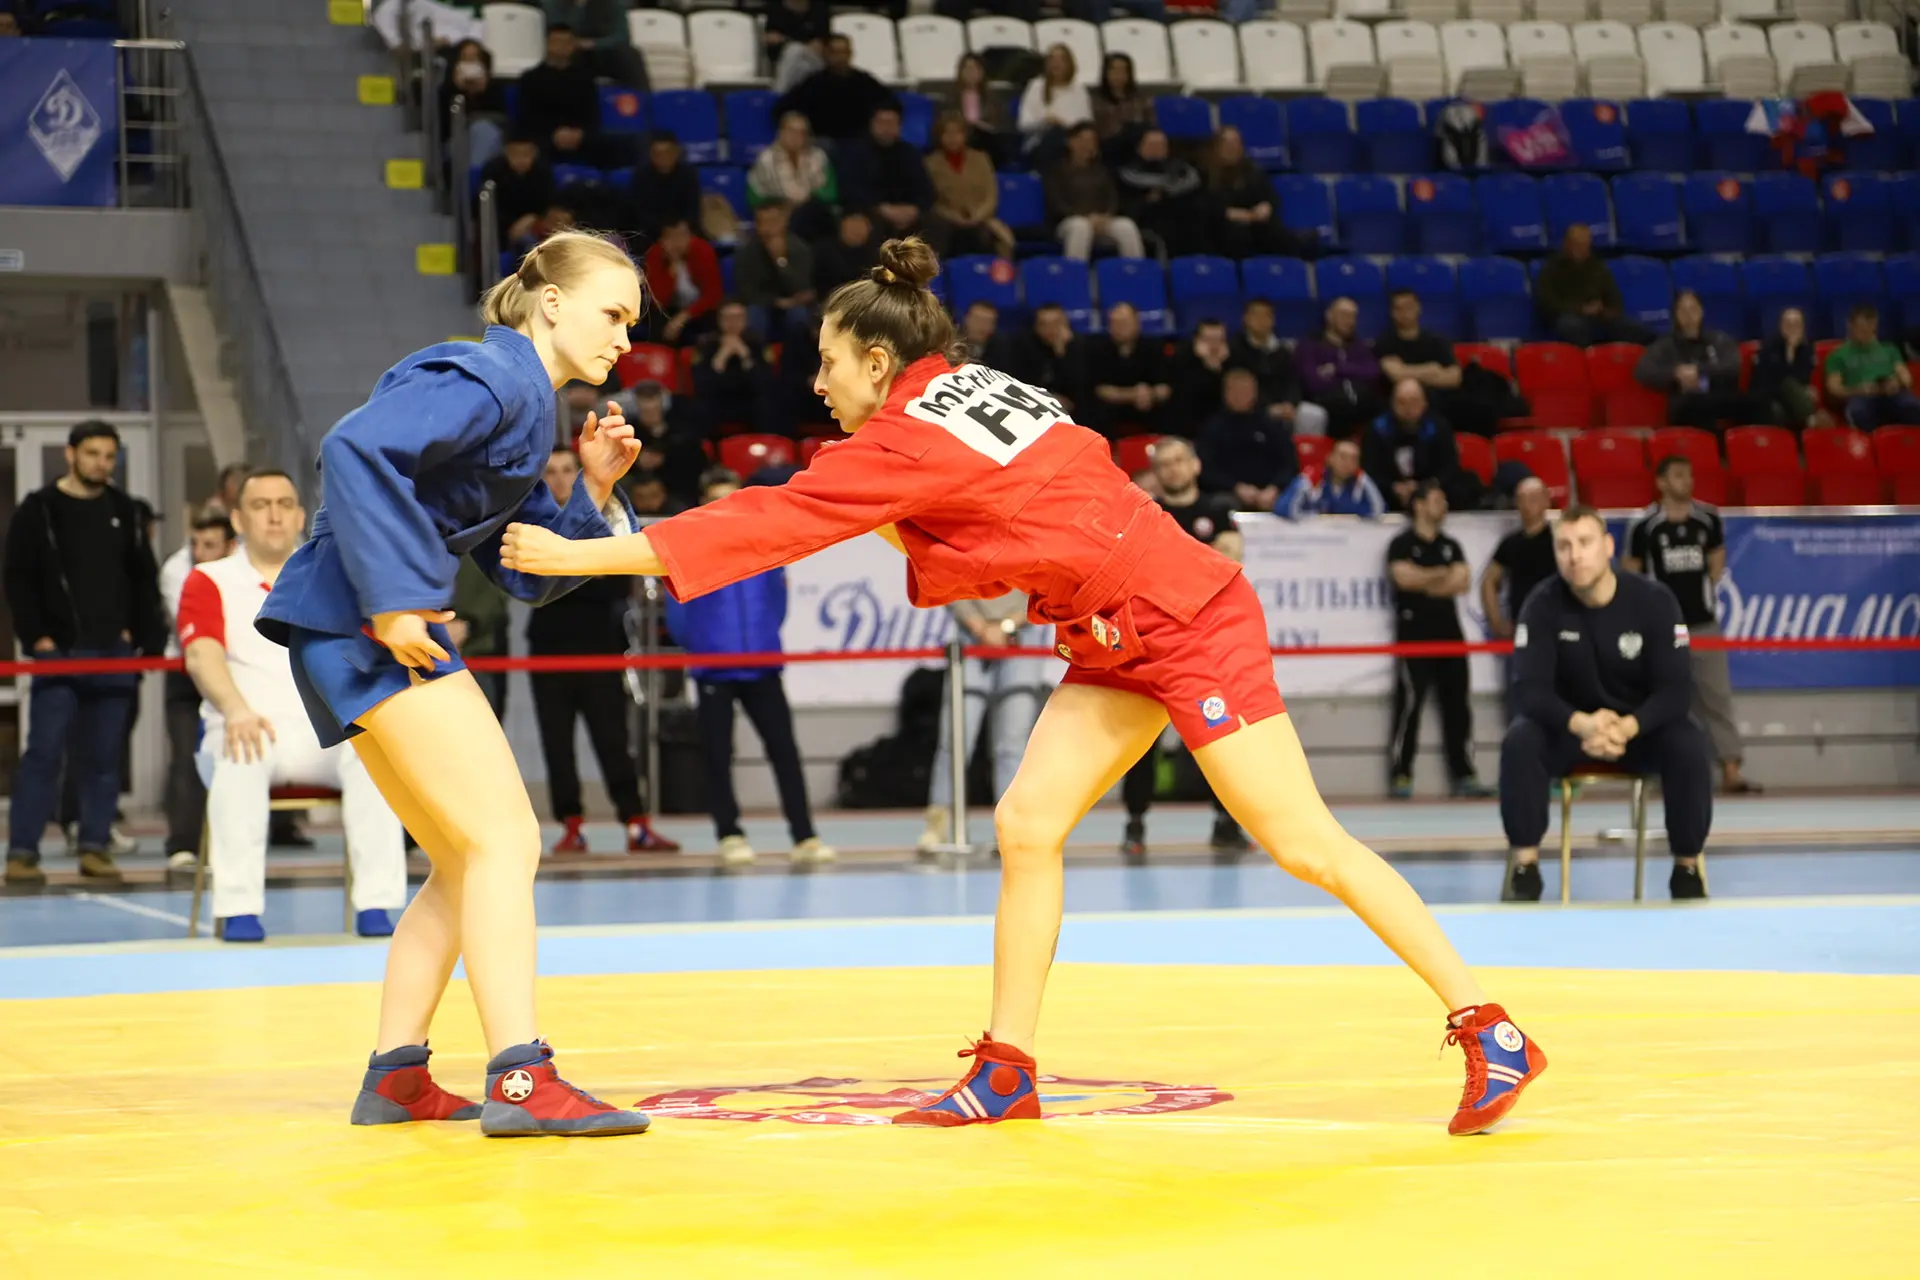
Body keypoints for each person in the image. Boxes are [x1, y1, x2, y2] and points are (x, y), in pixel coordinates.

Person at [499, 235, 1548, 1136]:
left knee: (1304, 842)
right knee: (1027, 823)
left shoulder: (907, 431)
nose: (817, 385)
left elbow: (766, 522)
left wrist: (579, 553)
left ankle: (1489, 1027)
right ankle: (1006, 1069)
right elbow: (984, 519)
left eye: (828, 363)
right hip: (1114, 626)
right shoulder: (965, 387)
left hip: (1181, 617)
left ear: (878, 360)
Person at [253, 230, 653, 1137]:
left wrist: (592, 492)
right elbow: (353, 448)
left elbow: (528, 571)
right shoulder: (489, 377)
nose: (625, 339)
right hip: (367, 621)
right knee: (508, 840)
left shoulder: (526, 405)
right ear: (551, 302)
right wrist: (395, 601)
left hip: (348, 626)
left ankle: (396, 1075)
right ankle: (522, 1081)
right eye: (613, 314)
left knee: (465, 860)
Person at [179, 470, 410, 943]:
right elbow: (202, 655)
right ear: (238, 519)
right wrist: (236, 710)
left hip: (323, 732)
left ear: (302, 516)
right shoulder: (209, 580)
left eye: (284, 504)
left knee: (374, 753)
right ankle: (239, 909)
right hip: (246, 728)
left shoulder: (337, 576)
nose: (275, 515)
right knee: (241, 754)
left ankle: (377, 905)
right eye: (261, 505)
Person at [1502, 504, 1713, 902]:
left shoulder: (1655, 601)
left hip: (1639, 733)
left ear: (1608, 546)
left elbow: (1676, 691)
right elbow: (1530, 691)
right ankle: (1525, 868)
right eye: (1564, 546)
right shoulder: (1541, 604)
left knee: (1688, 741)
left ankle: (1686, 868)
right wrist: (1583, 724)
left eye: (1584, 543)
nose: (1575, 555)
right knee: (1521, 739)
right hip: (1569, 732)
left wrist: (1627, 727)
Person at [3, 421, 167, 886]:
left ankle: (95, 846)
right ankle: (22, 852)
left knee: (104, 756)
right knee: (44, 753)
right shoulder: (39, 509)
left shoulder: (125, 511)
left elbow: (143, 577)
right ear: (71, 454)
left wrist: (145, 638)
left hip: (114, 654)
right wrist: (37, 638)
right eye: (93, 454)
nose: (102, 464)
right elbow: (18, 578)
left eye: (109, 456)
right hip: (59, 653)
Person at [660, 468, 836, 868]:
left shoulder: (764, 542)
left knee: (784, 751)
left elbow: (778, 600)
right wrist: (704, 646)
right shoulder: (688, 547)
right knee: (718, 756)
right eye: (717, 497)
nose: (726, 505)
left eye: (732, 496)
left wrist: (762, 637)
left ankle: (805, 835)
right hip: (713, 670)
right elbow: (678, 616)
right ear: (703, 503)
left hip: (762, 666)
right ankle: (729, 834)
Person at [526, 448, 679, 856]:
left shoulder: (600, 522)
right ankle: (571, 827)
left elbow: (616, 584)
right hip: (548, 653)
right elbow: (533, 586)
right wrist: (581, 571)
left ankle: (636, 825)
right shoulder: (533, 524)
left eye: (566, 470)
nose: (559, 479)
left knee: (613, 741)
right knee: (557, 746)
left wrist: (561, 569)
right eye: (551, 471)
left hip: (599, 649)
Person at [1120, 438, 1248, 858]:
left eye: (1179, 461)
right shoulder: (1146, 511)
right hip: (1154, 644)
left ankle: (1226, 822)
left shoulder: (1218, 510)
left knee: (1217, 734)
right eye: (1165, 463)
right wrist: (1194, 562)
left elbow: (1228, 562)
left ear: (1195, 465)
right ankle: (1135, 823)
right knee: (1142, 741)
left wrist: (1172, 564)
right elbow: (1139, 571)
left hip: (1205, 644)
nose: (1173, 469)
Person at [1625, 457, 1760, 795]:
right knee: (1660, 700)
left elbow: (1716, 562)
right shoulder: (1644, 525)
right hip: (1661, 629)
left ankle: (1730, 771)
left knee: (1717, 697)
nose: (1687, 480)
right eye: (1678, 475)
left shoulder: (1707, 519)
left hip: (1702, 623)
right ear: (1661, 482)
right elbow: (1630, 572)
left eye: (1689, 474)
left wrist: (1701, 592)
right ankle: (1660, 771)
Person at [916, 588, 1054, 857]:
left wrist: (1008, 624)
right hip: (969, 635)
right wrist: (979, 626)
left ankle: (1011, 827)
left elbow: (1045, 584)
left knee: (1013, 743)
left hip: (1024, 633)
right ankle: (938, 822)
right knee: (957, 737)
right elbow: (948, 582)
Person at [1386, 481, 1495, 801]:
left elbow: (1461, 581)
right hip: (1414, 635)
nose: (1443, 505)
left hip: (1450, 633)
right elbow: (1402, 577)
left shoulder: (1451, 545)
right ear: (1419, 505)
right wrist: (1439, 576)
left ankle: (1464, 773)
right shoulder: (1402, 544)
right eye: (1436, 499)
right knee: (1410, 704)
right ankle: (1402, 773)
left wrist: (1423, 579)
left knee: (1458, 705)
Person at [163, 505, 239, 871]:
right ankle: (182, 844)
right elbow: (192, 628)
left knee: (236, 755)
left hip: (235, 672)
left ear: (229, 545)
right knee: (185, 757)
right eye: (195, 544)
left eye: (210, 545)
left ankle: (230, 845)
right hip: (186, 673)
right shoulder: (177, 571)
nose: (200, 552)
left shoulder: (244, 572)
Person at [1633, 290, 1769, 434]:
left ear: (1701, 311)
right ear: (1675, 315)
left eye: (1693, 309)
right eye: (1683, 310)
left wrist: (1699, 371)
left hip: (1718, 395)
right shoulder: (1664, 345)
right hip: (1686, 402)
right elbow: (1642, 371)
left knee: (1758, 403)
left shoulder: (1719, 339)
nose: (1689, 315)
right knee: (1697, 408)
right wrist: (1676, 373)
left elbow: (1733, 365)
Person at [1536, 224, 1653, 348]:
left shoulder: (1598, 267)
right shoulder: (1551, 269)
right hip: (1569, 316)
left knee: (1633, 328)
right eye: (1578, 245)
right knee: (1572, 326)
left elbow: (1614, 298)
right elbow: (1548, 304)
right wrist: (1581, 309)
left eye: (1586, 245)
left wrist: (1603, 309)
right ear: (1567, 244)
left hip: (1598, 316)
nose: (1582, 249)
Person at [1197, 366, 1297, 510]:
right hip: (1229, 493)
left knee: (1291, 504)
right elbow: (1206, 469)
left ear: (1255, 393)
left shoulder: (1271, 425)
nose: (1240, 396)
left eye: (1245, 391)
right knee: (1221, 505)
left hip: (1270, 494)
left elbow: (1290, 464)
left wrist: (1274, 488)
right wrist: (1236, 487)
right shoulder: (1213, 427)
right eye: (1235, 391)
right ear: (1225, 394)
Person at [1361, 379, 1467, 514]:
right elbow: (1369, 470)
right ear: (1392, 403)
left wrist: (1426, 487)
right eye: (1401, 402)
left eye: (1414, 402)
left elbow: (1449, 466)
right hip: (1388, 494)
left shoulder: (1439, 427)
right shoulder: (1376, 429)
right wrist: (1394, 487)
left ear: (1424, 403)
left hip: (1430, 492)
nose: (1408, 408)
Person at [1044, 123, 1144, 261]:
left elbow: (1112, 197)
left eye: (1091, 141)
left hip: (1102, 221)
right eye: (1082, 140)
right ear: (1070, 142)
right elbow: (1055, 202)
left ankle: (1134, 270)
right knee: (1080, 227)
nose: (1087, 145)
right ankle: (1076, 272)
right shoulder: (1056, 171)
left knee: (1126, 226)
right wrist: (1085, 217)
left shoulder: (1102, 170)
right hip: (1068, 221)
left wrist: (1106, 215)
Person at [772, 33, 897, 143]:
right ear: (826, 54)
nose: (840, 58)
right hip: (822, 141)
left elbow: (892, 104)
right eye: (835, 53)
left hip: (860, 141)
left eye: (844, 52)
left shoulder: (865, 81)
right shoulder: (814, 83)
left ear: (850, 54)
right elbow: (782, 108)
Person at [1232, 297, 1328, 437]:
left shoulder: (1282, 351)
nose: (1261, 320)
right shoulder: (1236, 350)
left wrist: (1290, 403)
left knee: (1314, 415)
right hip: (1254, 407)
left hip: (1285, 405)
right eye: (1256, 315)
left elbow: (1293, 382)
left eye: (1267, 315)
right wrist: (1267, 408)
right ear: (1246, 318)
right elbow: (1241, 386)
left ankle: (1305, 450)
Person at [1202, 126, 1302, 260]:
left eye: (1236, 143)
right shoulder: (1206, 175)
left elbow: (1270, 198)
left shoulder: (1252, 171)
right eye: (1227, 143)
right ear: (1216, 147)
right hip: (1223, 228)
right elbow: (1210, 209)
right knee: (1236, 235)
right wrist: (1246, 215)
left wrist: (1266, 206)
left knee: (1276, 232)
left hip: (1254, 224)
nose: (1232, 148)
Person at [925, 112, 1014, 259]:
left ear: (965, 135)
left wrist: (978, 216)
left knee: (994, 237)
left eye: (957, 133)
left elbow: (991, 195)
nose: (953, 138)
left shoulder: (981, 159)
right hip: (947, 222)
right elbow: (933, 202)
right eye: (947, 133)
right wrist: (953, 216)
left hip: (981, 218)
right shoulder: (930, 164)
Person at [841, 105, 935, 243]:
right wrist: (883, 209)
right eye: (882, 122)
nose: (886, 128)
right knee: (869, 226)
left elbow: (927, 190)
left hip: (909, 211)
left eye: (891, 123)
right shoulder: (855, 152)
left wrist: (913, 209)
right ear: (872, 124)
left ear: (900, 126)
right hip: (872, 210)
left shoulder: (910, 152)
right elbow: (851, 190)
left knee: (936, 223)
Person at [1297, 296, 1386, 439]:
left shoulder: (1360, 347)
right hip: (1329, 406)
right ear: (1329, 316)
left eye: (1353, 316)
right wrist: (1352, 376)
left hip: (1364, 405)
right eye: (1344, 315)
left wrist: (1338, 369)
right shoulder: (1310, 345)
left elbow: (1373, 373)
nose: (1349, 321)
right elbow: (1312, 382)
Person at [1481, 476, 1556, 644]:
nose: (1527, 504)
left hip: (1556, 625)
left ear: (1546, 500)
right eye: (1522, 499)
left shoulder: (1559, 540)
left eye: (1533, 498)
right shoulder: (1511, 543)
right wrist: (1496, 622)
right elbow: (1489, 581)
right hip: (1522, 627)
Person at [1823, 304, 1920, 430]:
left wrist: (1897, 383)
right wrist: (1859, 389)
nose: (1867, 333)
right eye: (1862, 329)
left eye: (1871, 329)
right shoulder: (1838, 355)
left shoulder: (1889, 349)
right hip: (1861, 396)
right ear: (1850, 325)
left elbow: (1906, 378)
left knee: (1912, 407)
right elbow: (1834, 389)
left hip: (1892, 394)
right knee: (1858, 411)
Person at [734, 201, 817, 347]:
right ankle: (759, 357)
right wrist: (776, 302)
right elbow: (747, 292)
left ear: (784, 223)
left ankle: (795, 359)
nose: (769, 228)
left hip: (794, 303)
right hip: (762, 303)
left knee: (798, 316)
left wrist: (780, 261)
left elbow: (802, 287)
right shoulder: (747, 253)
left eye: (773, 222)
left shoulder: (800, 249)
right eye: (763, 222)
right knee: (755, 316)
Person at [747, 112, 837, 242]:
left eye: (802, 132)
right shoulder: (766, 159)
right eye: (792, 131)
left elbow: (831, 193)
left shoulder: (818, 156)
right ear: (781, 133)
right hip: (779, 211)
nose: (797, 136)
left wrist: (806, 201)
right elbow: (755, 197)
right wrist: (783, 204)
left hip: (813, 212)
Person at [1085, 301, 1171, 438]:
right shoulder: (1098, 349)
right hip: (1115, 406)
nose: (1119, 328)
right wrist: (1133, 395)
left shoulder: (1156, 347)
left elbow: (1165, 388)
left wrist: (1150, 394)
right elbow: (1101, 390)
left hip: (1148, 404)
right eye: (1115, 324)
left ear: (1137, 323)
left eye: (1124, 323)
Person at [1116, 129, 1203, 257]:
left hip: (1182, 217)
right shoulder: (1129, 172)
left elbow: (1192, 184)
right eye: (1152, 145)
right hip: (1148, 220)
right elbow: (1128, 204)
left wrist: (1165, 192)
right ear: (1140, 148)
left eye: (1161, 146)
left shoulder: (1180, 168)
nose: (1157, 150)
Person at [692, 302, 776, 435]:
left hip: (748, 399)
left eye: (738, 317)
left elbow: (764, 383)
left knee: (767, 404)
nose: (733, 323)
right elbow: (701, 385)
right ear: (719, 320)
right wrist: (721, 357)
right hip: (718, 399)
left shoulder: (758, 342)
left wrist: (745, 356)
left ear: (746, 320)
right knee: (700, 407)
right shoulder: (706, 343)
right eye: (728, 318)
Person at [641, 217, 723, 346]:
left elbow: (712, 295)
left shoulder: (703, 250)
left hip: (700, 308)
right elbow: (658, 300)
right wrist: (671, 270)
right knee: (655, 320)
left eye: (683, 235)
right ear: (662, 240)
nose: (678, 242)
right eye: (671, 237)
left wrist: (683, 317)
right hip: (670, 308)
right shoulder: (655, 255)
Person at [476, 131, 558, 252]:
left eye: (526, 154)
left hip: (533, 223)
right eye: (515, 154)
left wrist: (531, 218)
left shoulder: (543, 171)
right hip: (500, 226)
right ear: (506, 152)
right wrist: (512, 226)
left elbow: (548, 203)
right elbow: (487, 206)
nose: (521, 159)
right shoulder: (492, 170)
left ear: (534, 153)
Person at [1273, 437, 1385, 520]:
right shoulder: (1311, 478)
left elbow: (1379, 511)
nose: (1348, 463)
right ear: (1330, 458)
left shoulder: (1361, 481)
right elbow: (1282, 508)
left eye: (1354, 459)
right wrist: (1312, 518)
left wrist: (1365, 479)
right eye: (1343, 457)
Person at [1008, 302, 1089, 416]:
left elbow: (1080, 388)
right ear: (1036, 327)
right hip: (1035, 405)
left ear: (1066, 325)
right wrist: (1048, 399)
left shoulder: (1081, 346)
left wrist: (1061, 353)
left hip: (1074, 408)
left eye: (1055, 324)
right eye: (1043, 324)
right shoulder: (1024, 346)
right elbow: (1022, 383)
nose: (1050, 329)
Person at [1017, 43, 1092, 163]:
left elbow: (1085, 122)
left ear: (1069, 64)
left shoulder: (1079, 90)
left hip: (1072, 142)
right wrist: (1045, 121)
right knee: (1055, 134)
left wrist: (1064, 125)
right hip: (1039, 140)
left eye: (1061, 60)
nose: (1056, 64)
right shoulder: (1035, 86)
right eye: (1052, 59)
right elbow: (1023, 123)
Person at [1752, 306, 1823, 430]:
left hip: (1793, 398)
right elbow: (1775, 379)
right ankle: (1811, 419)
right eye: (1788, 324)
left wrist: (1804, 389)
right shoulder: (1769, 347)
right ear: (1780, 326)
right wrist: (1790, 350)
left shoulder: (1806, 348)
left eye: (1797, 324)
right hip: (1769, 394)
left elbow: (1803, 376)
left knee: (1786, 410)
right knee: (1785, 387)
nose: (1792, 328)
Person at [937, 52, 1012, 165]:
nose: (971, 73)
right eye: (968, 68)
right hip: (961, 136)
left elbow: (999, 124)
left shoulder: (992, 98)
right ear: (961, 72)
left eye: (976, 69)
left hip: (986, 137)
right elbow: (945, 122)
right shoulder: (950, 98)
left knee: (989, 139)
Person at [627, 131, 702, 239]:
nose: (663, 157)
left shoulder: (688, 174)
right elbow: (639, 213)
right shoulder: (641, 176)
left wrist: (684, 226)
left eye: (667, 152)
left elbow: (693, 209)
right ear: (651, 154)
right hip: (651, 234)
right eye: (657, 153)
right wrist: (665, 231)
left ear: (676, 152)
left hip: (685, 232)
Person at [1090, 52, 1152, 168]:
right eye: (1114, 70)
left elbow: (1151, 122)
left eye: (1123, 71)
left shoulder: (1141, 98)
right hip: (1109, 147)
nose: (1118, 75)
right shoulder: (1095, 100)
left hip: (1138, 145)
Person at [1170, 318, 1233, 423]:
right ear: (1196, 340)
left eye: (1219, 340)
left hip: (1224, 420)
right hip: (1189, 419)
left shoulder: (1232, 359)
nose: (1214, 346)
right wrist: (1208, 365)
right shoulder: (1181, 358)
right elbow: (1185, 395)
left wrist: (1216, 369)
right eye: (1208, 340)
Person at [763, 0, 831, 93]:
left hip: (813, 58)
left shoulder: (819, 8)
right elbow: (771, 37)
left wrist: (786, 39)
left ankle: (780, 93)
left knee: (795, 51)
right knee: (797, 58)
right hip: (784, 58)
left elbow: (821, 41)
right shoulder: (776, 8)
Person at [813, 207, 882, 295]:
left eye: (861, 224)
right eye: (852, 224)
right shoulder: (823, 250)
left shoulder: (877, 254)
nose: (856, 229)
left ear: (870, 228)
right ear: (841, 225)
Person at [959, 300, 1016, 369]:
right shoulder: (952, 343)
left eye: (988, 322)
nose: (982, 326)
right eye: (978, 320)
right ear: (966, 319)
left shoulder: (1003, 348)